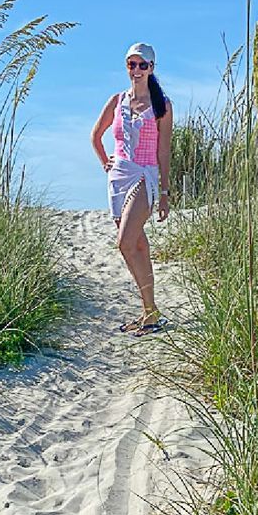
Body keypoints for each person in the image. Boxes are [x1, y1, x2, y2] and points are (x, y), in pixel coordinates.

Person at [90, 42, 173, 336]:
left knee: (125, 241)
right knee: (137, 244)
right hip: (119, 176)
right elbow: (96, 136)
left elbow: (164, 152)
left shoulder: (162, 105)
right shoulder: (116, 101)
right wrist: (105, 162)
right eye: (131, 64)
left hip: (145, 176)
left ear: (151, 68)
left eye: (142, 65)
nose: (136, 70)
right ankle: (149, 310)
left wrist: (164, 192)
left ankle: (150, 311)